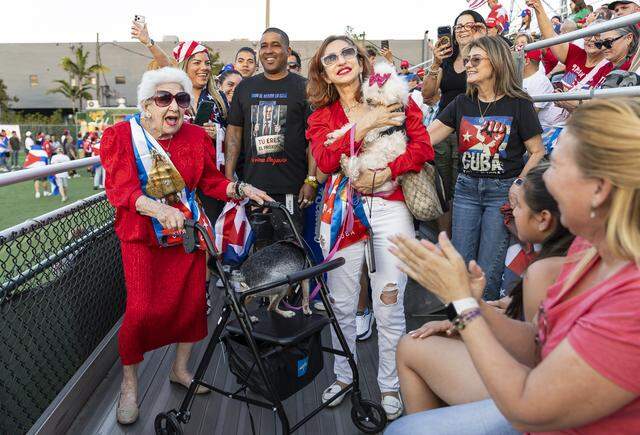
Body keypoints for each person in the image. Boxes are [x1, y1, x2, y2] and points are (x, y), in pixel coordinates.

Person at [387, 97, 640, 435]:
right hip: (541, 394)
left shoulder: (630, 304)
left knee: (402, 432)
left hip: (536, 411)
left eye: (556, 166)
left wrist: (462, 306)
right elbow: (539, 342)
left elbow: (527, 408)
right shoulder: (589, 249)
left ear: (599, 190)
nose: (546, 180)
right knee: (414, 352)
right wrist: (474, 304)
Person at [100, 67, 271, 425]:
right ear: (146, 105)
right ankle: (129, 384)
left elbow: (209, 180)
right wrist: (159, 209)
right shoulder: (120, 136)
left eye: (181, 99)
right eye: (164, 99)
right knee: (141, 311)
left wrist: (241, 189)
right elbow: (121, 192)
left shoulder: (195, 136)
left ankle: (180, 369)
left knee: (193, 306)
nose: (173, 106)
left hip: (189, 235)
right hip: (143, 237)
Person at [306, 34, 433, 420]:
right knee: (343, 304)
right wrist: (368, 124)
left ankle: (390, 385)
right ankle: (345, 377)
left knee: (389, 304)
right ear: (324, 73)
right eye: (331, 58)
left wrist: (385, 174)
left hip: (391, 208)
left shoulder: (394, 94)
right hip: (342, 213)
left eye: (348, 52)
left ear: (361, 61)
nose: (341, 60)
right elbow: (326, 161)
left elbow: (423, 148)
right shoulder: (319, 117)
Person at [394, 162, 574, 418]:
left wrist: (462, 305)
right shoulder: (560, 258)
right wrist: (462, 318)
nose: (512, 211)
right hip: (543, 380)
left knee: (409, 347)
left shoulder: (543, 271)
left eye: (519, 206)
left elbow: (533, 352)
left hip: (535, 392)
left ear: (544, 219)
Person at [427, 36, 545, 300]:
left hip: (501, 193)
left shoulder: (519, 102)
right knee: (461, 266)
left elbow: (537, 151)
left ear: (497, 63)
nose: (468, 65)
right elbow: (426, 138)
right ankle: (461, 327)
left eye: (476, 59)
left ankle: (487, 333)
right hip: (467, 189)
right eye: (467, 60)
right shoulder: (461, 103)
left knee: (488, 271)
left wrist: (519, 183)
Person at [225, 28, 318, 234]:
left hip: (292, 190)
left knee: (290, 255)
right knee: (258, 253)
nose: (269, 50)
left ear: (287, 50)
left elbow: (314, 139)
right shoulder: (245, 87)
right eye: (264, 45)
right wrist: (229, 174)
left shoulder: (305, 88)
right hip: (253, 189)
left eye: (275, 45)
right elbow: (234, 133)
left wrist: (311, 180)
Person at [422, 10, 487, 234]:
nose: (461, 30)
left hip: (473, 133)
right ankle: (445, 241)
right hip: (444, 131)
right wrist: (435, 62)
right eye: (458, 26)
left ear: (479, 28)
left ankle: (463, 240)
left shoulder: (487, 57)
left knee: (465, 191)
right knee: (443, 191)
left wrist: (481, 44)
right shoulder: (447, 60)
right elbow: (427, 95)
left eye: (468, 26)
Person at [529, 1, 611, 89]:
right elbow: (550, 35)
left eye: (598, 36)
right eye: (589, 35)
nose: (592, 39)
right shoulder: (576, 53)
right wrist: (538, 6)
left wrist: (571, 102)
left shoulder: (609, 67)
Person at [521, 49, 566, 153]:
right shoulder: (520, 79)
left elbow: (530, 115)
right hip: (530, 140)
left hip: (544, 144)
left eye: (516, 58)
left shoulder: (540, 80)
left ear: (526, 61)